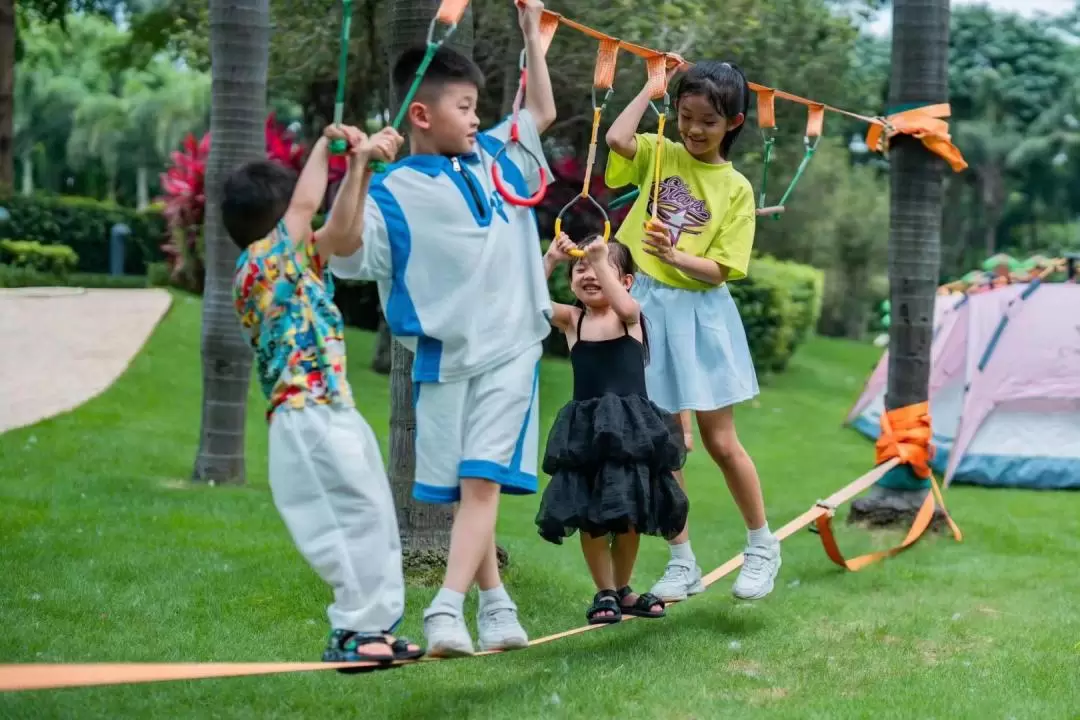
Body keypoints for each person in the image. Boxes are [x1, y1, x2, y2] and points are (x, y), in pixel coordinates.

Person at [328, 0, 558, 657]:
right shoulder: (391, 193)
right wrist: (359, 167)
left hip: (512, 347)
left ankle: (444, 611)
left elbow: (537, 113)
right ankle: (496, 604)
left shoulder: (492, 156)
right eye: (464, 105)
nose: (477, 116)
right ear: (422, 114)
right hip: (440, 361)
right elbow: (341, 251)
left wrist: (529, 35)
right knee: (465, 489)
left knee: (481, 481)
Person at [229, 124, 423, 668]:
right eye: (292, 212)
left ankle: (376, 626)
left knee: (375, 513)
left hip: (334, 407)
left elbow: (339, 230)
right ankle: (351, 630)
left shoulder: (299, 265)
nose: (304, 215)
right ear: (272, 223)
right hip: (303, 414)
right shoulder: (259, 267)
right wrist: (326, 146)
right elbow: (310, 202)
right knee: (348, 520)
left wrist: (361, 167)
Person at [603, 60, 782, 602]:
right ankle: (682, 561)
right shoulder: (662, 153)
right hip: (643, 310)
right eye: (684, 115)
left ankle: (762, 546)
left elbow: (722, 270)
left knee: (719, 440)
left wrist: (675, 254)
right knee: (662, 445)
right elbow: (615, 136)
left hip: (699, 315)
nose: (693, 129)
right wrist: (649, 89)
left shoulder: (737, 189)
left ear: (734, 122)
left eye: (707, 120)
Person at [536, 233, 688, 624]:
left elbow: (626, 304)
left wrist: (599, 257)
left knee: (629, 514)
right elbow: (527, 302)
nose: (588, 274)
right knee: (590, 515)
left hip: (630, 432)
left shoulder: (627, 315)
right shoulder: (574, 320)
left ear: (625, 280)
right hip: (586, 434)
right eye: (580, 268)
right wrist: (550, 258)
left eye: (599, 267)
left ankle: (623, 589)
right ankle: (603, 590)